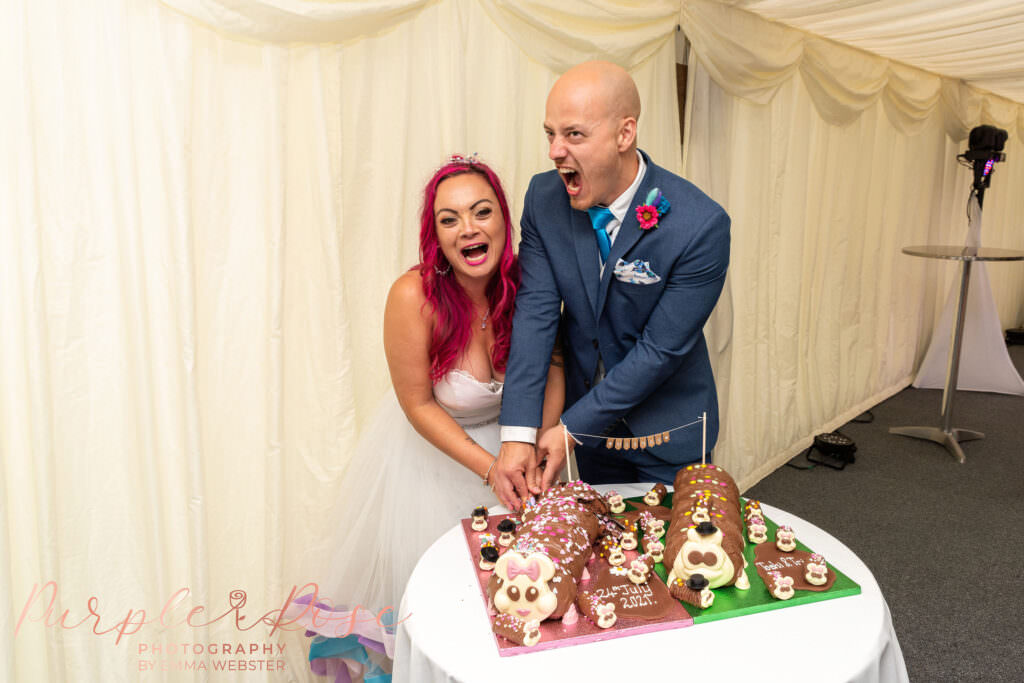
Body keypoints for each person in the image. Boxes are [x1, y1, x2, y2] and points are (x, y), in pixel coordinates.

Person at [294, 156, 563, 681]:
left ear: (504, 221)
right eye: (449, 218)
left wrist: (528, 448)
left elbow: (553, 365)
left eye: (482, 212)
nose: (468, 228)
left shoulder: (528, 284)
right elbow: (417, 404)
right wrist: (491, 468)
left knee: (524, 601)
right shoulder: (412, 297)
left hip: (518, 454)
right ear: (435, 235)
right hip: (437, 461)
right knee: (445, 614)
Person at [493, 61, 731, 507]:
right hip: (593, 439)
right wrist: (519, 434)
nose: (555, 151)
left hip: (669, 433)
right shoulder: (544, 201)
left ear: (625, 135)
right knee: (609, 562)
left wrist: (569, 429)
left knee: (678, 564)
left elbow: (660, 352)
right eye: (550, 134)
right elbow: (535, 316)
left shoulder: (700, 225)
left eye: (574, 135)